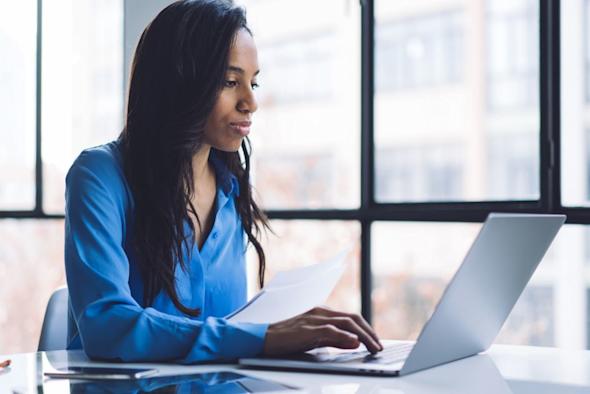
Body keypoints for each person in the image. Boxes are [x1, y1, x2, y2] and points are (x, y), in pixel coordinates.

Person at [65, 0, 382, 363]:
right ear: (179, 82)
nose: (250, 102)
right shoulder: (99, 176)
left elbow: (228, 332)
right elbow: (107, 327)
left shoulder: (230, 187)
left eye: (254, 82)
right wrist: (264, 338)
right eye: (230, 82)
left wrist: (286, 332)